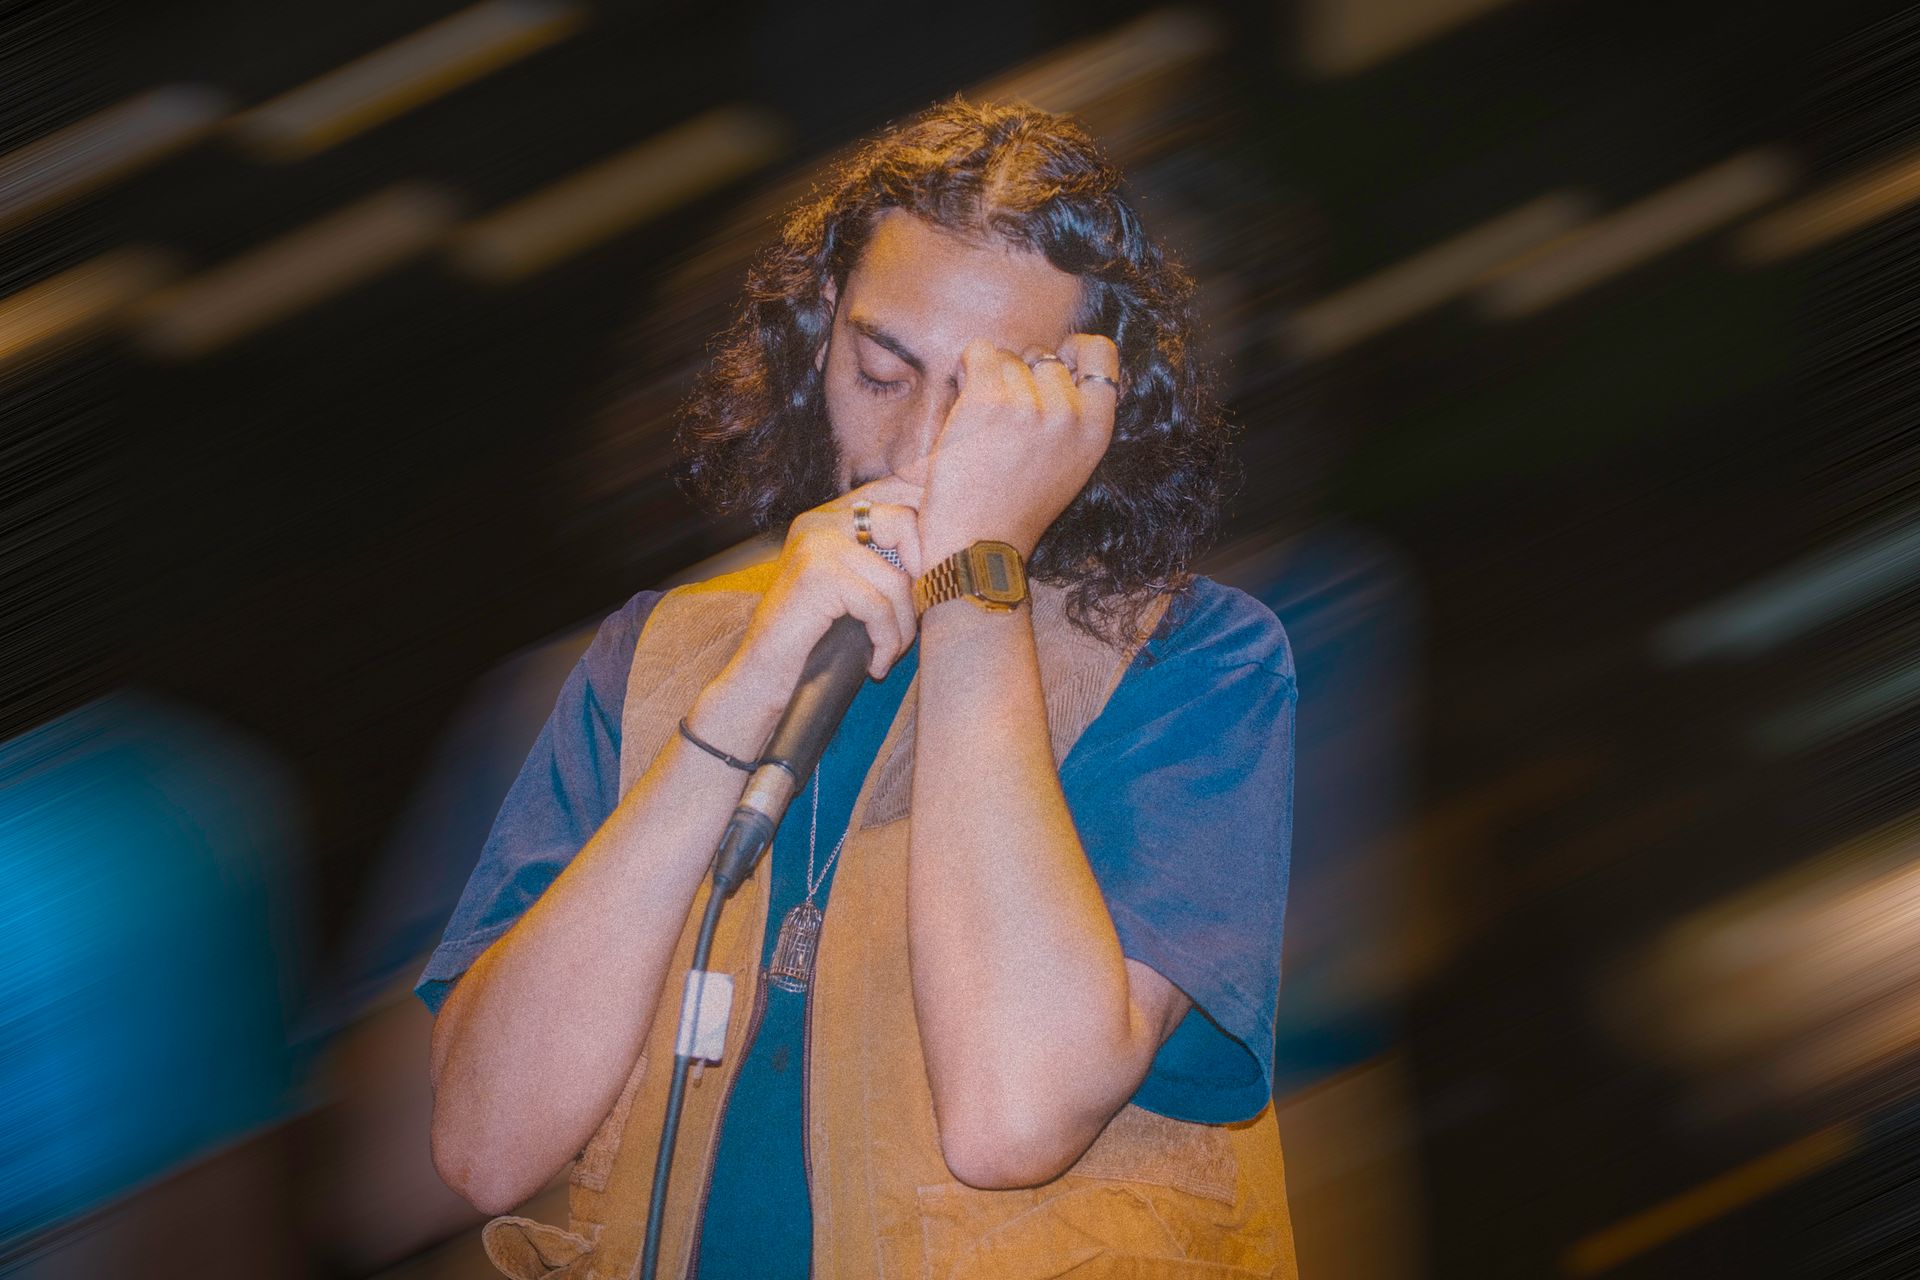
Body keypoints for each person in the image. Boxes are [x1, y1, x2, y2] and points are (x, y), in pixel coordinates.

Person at [421, 98, 1300, 1279]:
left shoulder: (1196, 663)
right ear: (821, 338)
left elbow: (1012, 1113)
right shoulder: (656, 657)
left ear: (1087, 414)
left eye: (984, 404)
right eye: (881, 371)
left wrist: (975, 567)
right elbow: (483, 1143)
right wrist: (740, 695)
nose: (914, 452)